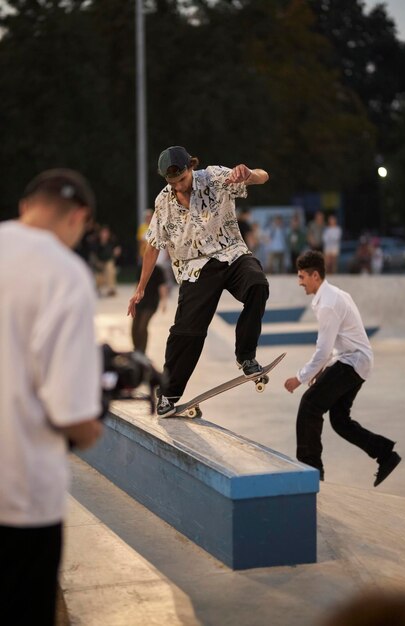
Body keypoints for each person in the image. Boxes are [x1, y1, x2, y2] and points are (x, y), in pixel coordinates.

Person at [0, 169, 103, 626]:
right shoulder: (64, 273)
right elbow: (72, 417)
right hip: (21, 500)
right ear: (77, 218)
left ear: (26, 206)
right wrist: (98, 418)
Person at [127, 145, 270, 416]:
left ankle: (246, 355)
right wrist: (140, 288)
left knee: (257, 284)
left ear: (191, 167)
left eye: (182, 179)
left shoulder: (216, 177)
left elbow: (264, 176)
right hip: (195, 267)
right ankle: (168, 393)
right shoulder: (163, 202)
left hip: (231, 253)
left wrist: (249, 173)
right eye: (172, 182)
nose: (178, 187)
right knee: (187, 332)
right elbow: (153, 246)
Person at [283, 250, 401, 486]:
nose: (299, 282)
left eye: (302, 277)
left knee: (310, 405)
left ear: (315, 276)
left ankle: (311, 471)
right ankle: (385, 454)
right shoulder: (335, 295)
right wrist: (322, 370)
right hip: (355, 360)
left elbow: (323, 349)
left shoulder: (329, 304)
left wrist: (300, 377)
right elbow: (336, 345)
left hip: (352, 361)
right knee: (340, 420)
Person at [131, 253, 169, 353]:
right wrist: (134, 299)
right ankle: (136, 349)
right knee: (134, 328)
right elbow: (137, 284)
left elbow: (162, 287)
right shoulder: (140, 268)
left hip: (151, 303)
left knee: (142, 327)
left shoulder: (158, 270)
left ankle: (142, 352)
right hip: (140, 302)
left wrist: (164, 302)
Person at [91, 224, 122, 296]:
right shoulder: (95, 242)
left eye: (106, 233)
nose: (105, 234)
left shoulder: (112, 242)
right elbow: (93, 257)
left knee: (110, 266)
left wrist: (115, 253)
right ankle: (96, 288)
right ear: (100, 233)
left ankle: (111, 289)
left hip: (107, 265)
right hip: (98, 266)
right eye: (103, 232)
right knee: (97, 278)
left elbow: (111, 257)